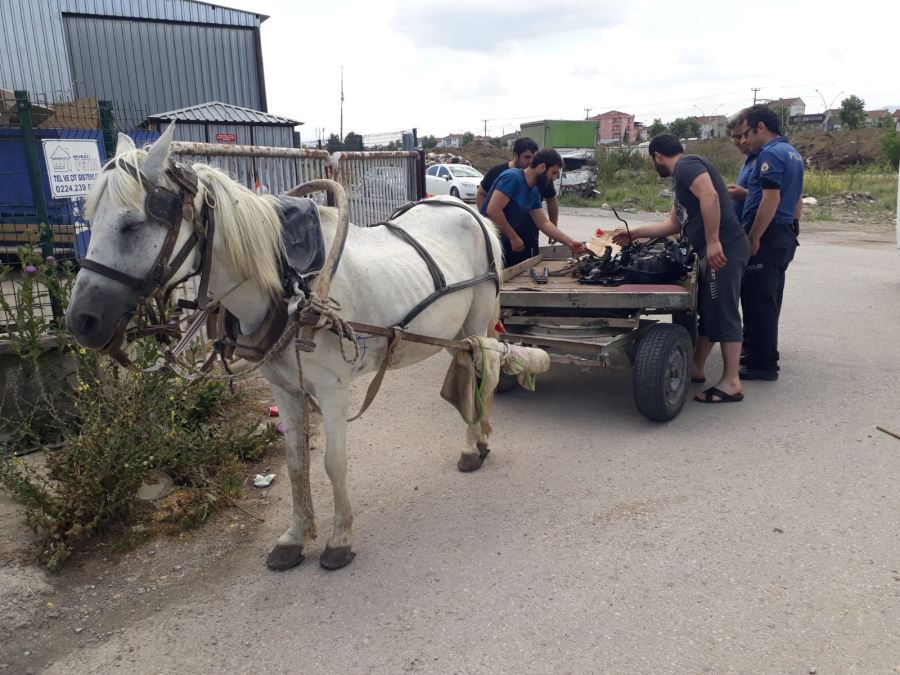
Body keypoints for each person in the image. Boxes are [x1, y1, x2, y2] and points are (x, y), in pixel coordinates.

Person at [612, 134, 750, 403]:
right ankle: (696, 367)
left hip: (725, 249)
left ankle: (732, 382)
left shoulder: (687, 165)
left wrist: (712, 242)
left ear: (657, 156)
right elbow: (673, 225)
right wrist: (635, 233)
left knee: (724, 311)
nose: (655, 165)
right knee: (709, 311)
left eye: (653, 161)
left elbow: (710, 196)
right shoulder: (681, 180)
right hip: (715, 250)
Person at [738, 104, 804, 381]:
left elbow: (770, 198)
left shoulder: (771, 154)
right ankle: (756, 351)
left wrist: (754, 236)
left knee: (758, 300)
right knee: (770, 297)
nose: (745, 140)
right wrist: (793, 228)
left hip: (769, 235)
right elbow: (797, 197)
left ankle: (762, 364)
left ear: (761, 127)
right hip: (784, 232)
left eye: (747, 133)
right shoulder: (793, 153)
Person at [480, 148, 584, 266]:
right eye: (554, 173)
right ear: (542, 167)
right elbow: (493, 210)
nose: (554, 178)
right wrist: (513, 237)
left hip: (501, 245)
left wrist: (570, 242)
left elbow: (543, 223)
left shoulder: (533, 191)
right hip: (486, 244)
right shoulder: (513, 177)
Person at [476, 137, 559, 231]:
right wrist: (486, 223)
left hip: (529, 232)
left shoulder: (541, 177)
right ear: (515, 155)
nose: (531, 161)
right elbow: (482, 194)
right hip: (502, 234)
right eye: (527, 157)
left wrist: (553, 226)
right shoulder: (501, 173)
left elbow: (551, 200)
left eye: (534, 157)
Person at [725, 111, 756, 220]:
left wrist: (745, 194)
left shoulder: (767, 159)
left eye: (739, 136)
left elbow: (777, 196)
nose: (737, 142)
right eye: (733, 138)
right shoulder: (749, 160)